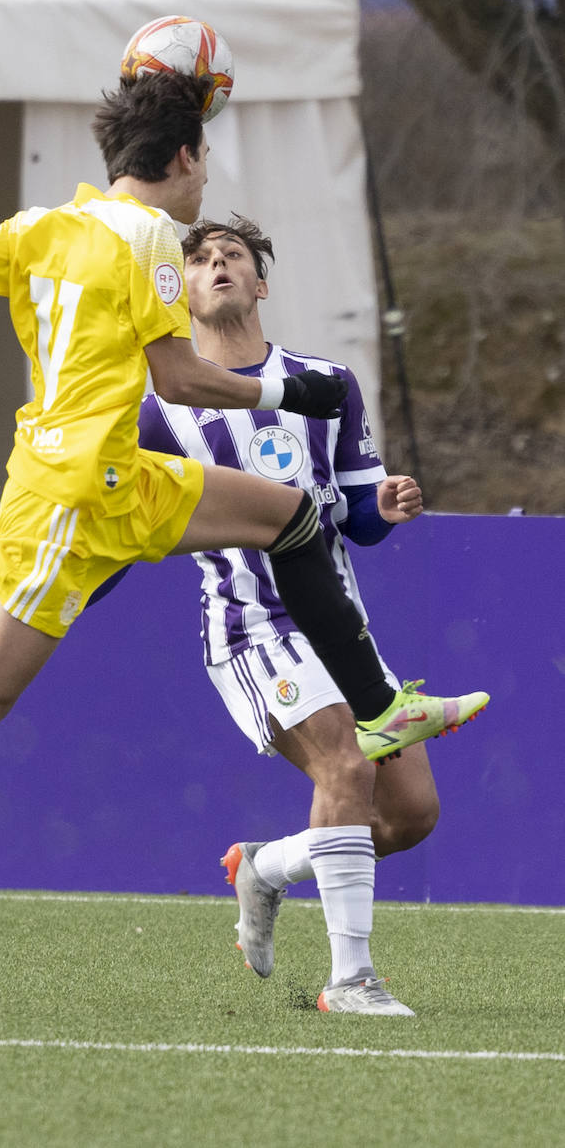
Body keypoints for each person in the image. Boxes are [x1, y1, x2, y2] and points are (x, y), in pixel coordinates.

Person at [0, 70, 479, 896]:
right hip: (73, 498)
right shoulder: (150, 241)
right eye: (205, 160)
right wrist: (287, 391)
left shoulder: (43, 226)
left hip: (119, 474)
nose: (205, 181)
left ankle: (380, 707)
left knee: (294, 519)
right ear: (182, 157)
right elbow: (178, 379)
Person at [134, 215, 489, 1016]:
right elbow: (140, 524)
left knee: (410, 815)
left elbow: (355, 514)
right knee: (346, 768)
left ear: (260, 283)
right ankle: (351, 981)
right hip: (253, 628)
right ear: (182, 293)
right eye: (201, 260)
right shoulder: (160, 411)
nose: (217, 266)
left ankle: (264, 867)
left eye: (233, 256)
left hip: (339, 629)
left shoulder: (325, 383)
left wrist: (383, 507)